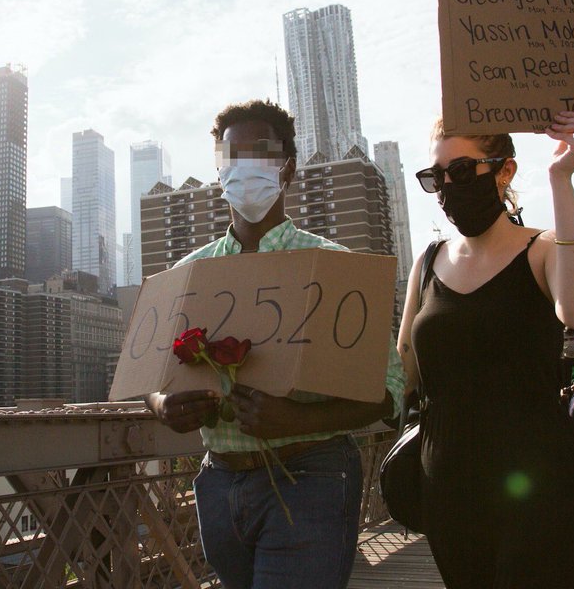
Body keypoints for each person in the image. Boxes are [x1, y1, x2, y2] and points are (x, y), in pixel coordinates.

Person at [144, 99, 405, 589]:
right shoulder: (187, 274)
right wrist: (163, 406)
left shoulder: (334, 265)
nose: (243, 169)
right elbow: (148, 376)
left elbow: (391, 394)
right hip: (218, 484)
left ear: (287, 170)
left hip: (311, 476)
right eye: (230, 158)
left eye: (259, 156)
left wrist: (300, 419)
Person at [397, 110, 574, 588]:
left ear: (504, 170)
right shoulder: (427, 263)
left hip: (542, 488)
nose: (449, 185)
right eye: (437, 176)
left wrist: (562, 177)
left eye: (463, 171)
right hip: (449, 496)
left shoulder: (545, 248)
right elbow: (401, 368)